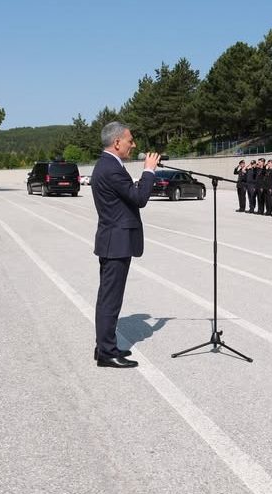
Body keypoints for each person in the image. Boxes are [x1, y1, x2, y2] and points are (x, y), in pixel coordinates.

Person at [92, 121, 159, 369]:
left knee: (108, 298)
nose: (134, 145)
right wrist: (149, 171)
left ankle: (105, 346)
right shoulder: (111, 168)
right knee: (110, 299)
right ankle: (107, 352)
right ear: (117, 142)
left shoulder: (108, 165)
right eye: (130, 140)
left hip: (113, 240)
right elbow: (139, 198)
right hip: (116, 242)